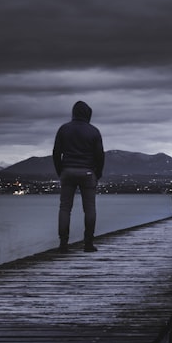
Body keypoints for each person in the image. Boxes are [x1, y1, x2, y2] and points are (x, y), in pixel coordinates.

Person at [52, 101, 105, 252]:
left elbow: (56, 153)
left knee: (65, 208)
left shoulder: (64, 129)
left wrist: (60, 171)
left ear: (74, 113)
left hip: (67, 171)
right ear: (88, 114)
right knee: (89, 209)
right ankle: (88, 243)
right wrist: (97, 173)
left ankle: (63, 244)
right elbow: (100, 155)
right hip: (88, 173)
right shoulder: (94, 131)